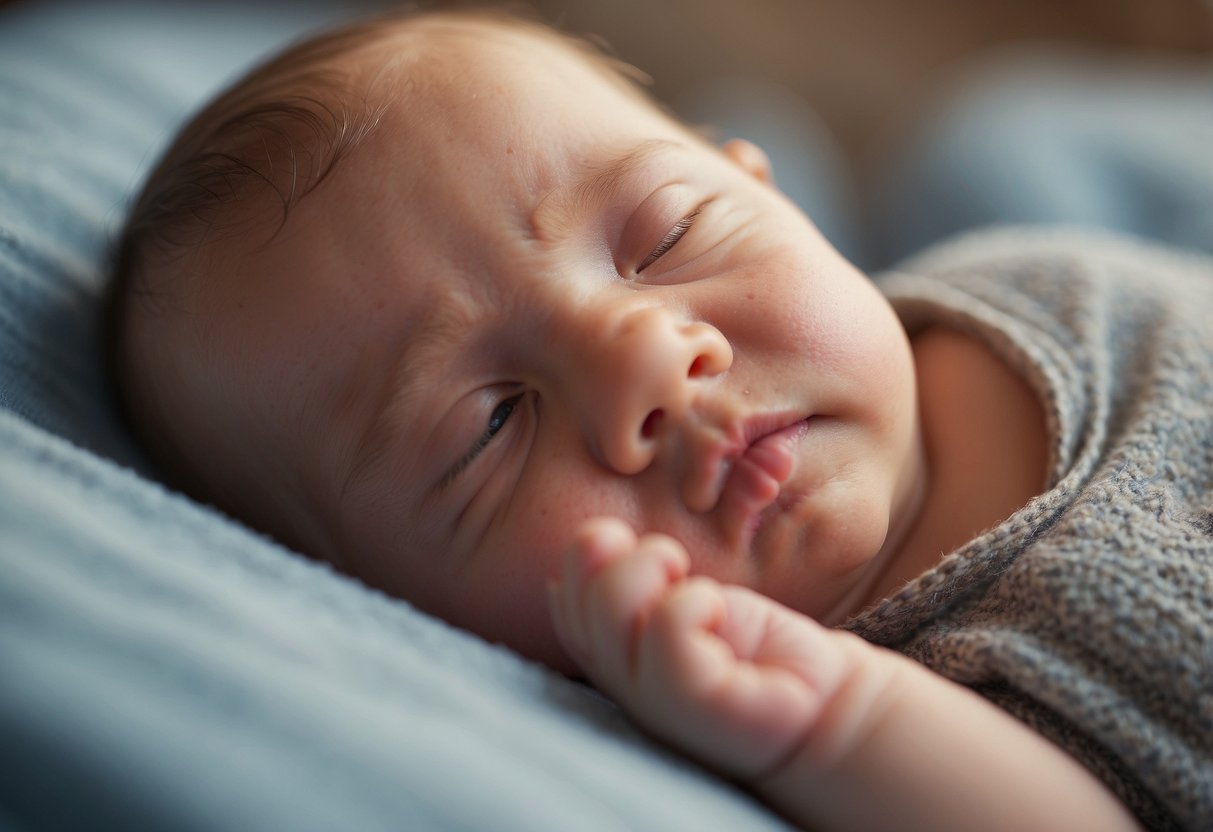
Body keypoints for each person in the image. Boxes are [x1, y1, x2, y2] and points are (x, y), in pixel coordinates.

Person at [105, 7, 1212, 831]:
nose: (646, 363)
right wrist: (834, 724)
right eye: (491, 426)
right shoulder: (808, 729)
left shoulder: (1036, 283)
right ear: (394, 606)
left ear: (765, 188)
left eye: (669, 234)